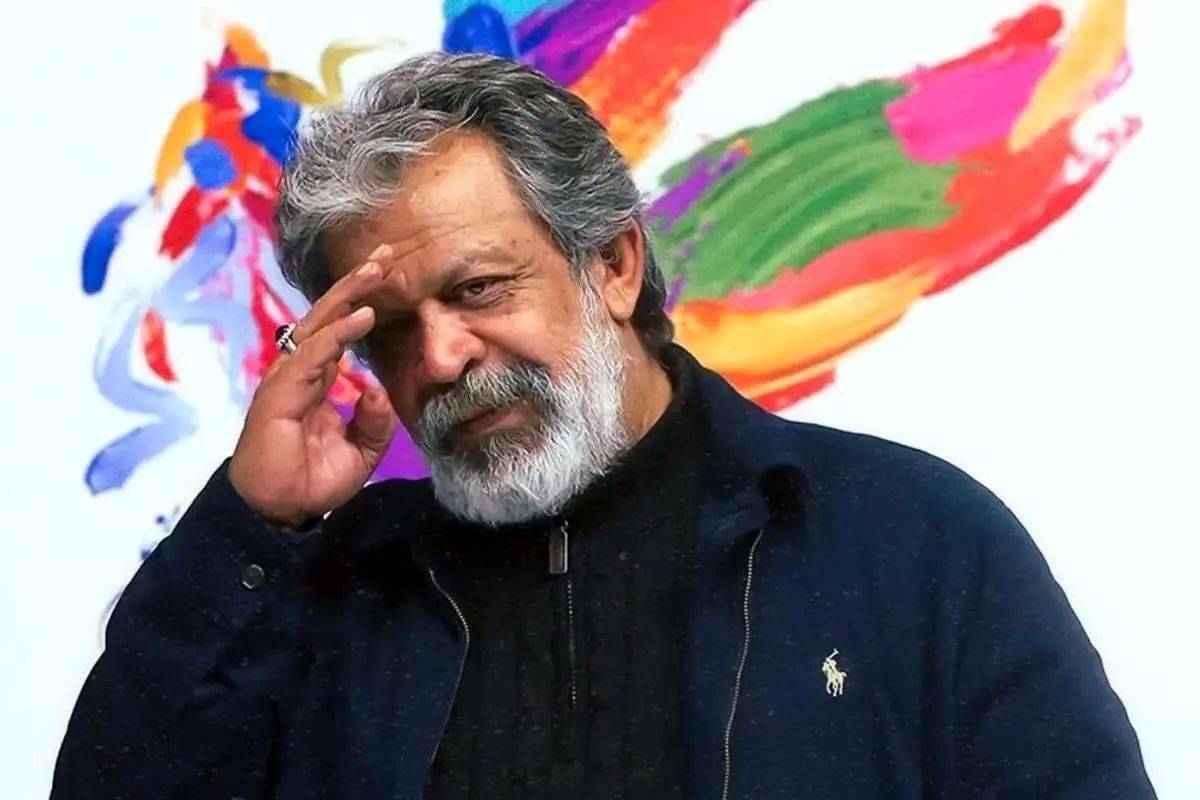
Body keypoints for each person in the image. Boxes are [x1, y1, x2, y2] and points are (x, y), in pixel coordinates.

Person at [51, 52, 1156, 799]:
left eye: (479, 289)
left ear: (615, 264)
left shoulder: (911, 539)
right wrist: (252, 531)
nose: (440, 356)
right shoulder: (322, 590)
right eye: (389, 326)